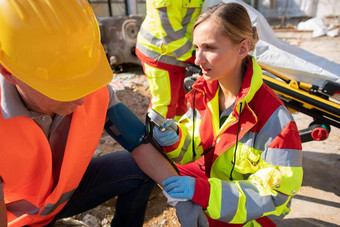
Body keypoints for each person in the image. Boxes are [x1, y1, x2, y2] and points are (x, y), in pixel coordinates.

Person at [0, 0, 207, 226]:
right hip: (21, 219)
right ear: (8, 71)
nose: (81, 98)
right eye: (63, 87)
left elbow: (140, 144)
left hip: (64, 197)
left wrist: (181, 199)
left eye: (84, 79)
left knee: (139, 168)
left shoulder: (94, 91)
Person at [153, 2, 303, 226]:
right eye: (196, 48)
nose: (197, 59)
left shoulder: (276, 120)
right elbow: (197, 143)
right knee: (150, 163)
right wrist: (176, 139)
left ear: (242, 48)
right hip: (221, 186)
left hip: (255, 216)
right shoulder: (204, 92)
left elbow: (274, 194)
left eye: (210, 48)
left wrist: (205, 193)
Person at [135, 0, 204, 120]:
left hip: (178, 53)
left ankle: (177, 134)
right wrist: (194, 55)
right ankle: (158, 137)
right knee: (164, 107)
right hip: (161, 55)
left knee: (179, 103)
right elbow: (169, 29)